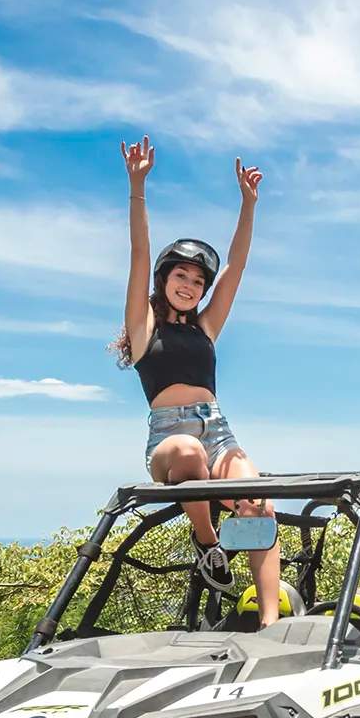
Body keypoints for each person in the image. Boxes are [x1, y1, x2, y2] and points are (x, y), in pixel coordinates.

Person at [112, 134, 281, 627]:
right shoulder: (144, 329)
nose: (189, 287)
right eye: (180, 277)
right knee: (187, 451)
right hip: (170, 439)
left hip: (219, 431)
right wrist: (137, 184)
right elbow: (138, 254)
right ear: (165, 280)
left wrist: (248, 205)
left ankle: (271, 623)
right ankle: (207, 541)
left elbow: (238, 267)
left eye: (197, 282)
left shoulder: (207, 328)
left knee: (256, 505)